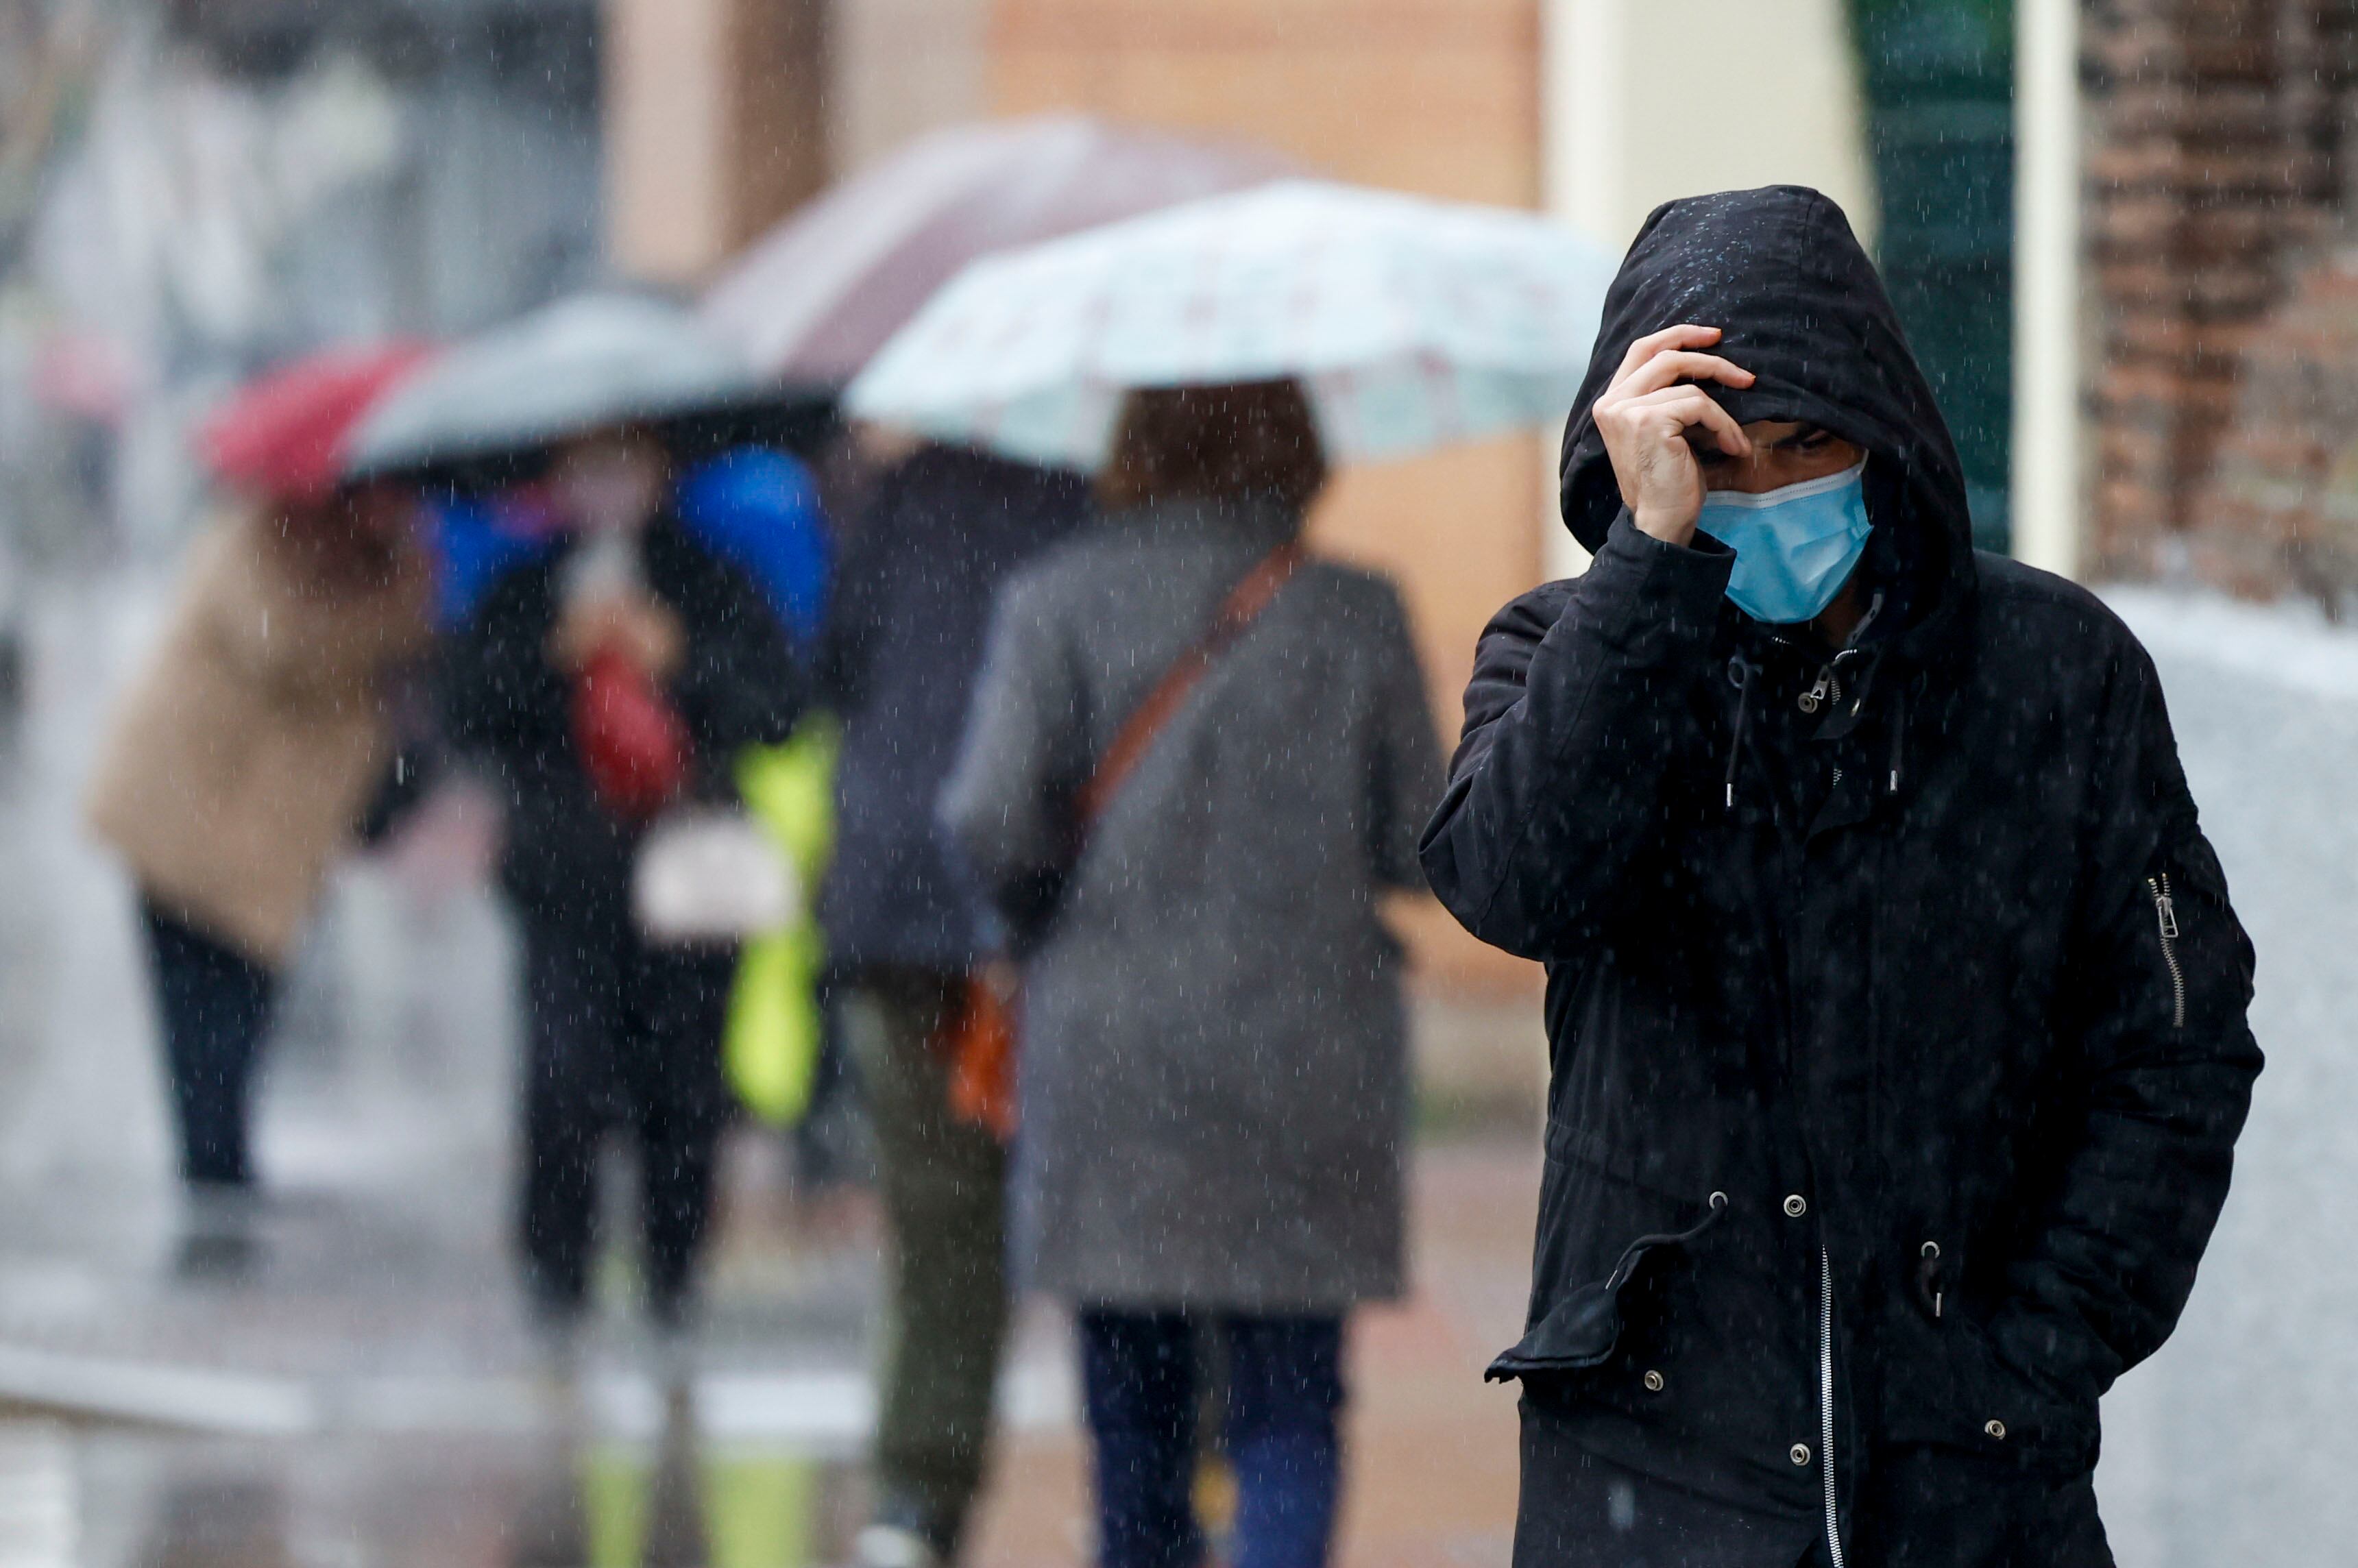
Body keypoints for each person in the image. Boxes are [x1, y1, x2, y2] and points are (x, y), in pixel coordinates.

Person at [1418, 186, 2262, 1565]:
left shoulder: (2053, 675)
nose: (1767, 491)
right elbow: (1518, 885)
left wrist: (2031, 1356)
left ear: (1881, 437)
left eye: (1805, 445)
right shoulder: (1568, 651)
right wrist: (1649, 566)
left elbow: (2174, 1049)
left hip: (1970, 1486)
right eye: (1719, 455)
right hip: (1653, 1467)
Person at [943, 380, 1444, 1568]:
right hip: (1308, 1049)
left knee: (1133, 1413)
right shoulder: (1356, 613)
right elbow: (1428, 835)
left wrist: (1043, 897)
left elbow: (987, 816)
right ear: (1297, 449)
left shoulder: (1053, 603)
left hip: (1113, 1051)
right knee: (1289, 1400)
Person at [442, 424, 802, 1330]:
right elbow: (468, 713)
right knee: (563, 1083)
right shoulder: (526, 589)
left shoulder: (712, 582)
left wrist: (677, 663)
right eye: (585, 468)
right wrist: (549, 660)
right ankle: (556, 1281)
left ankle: (673, 1284)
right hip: (566, 885)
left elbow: (777, 710)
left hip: (689, 886)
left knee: (683, 1095)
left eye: (623, 465)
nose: (605, 488)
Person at [817, 441, 1091, 1567]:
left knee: (938, 1228)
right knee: (1115, 1217)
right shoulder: (1091, 501)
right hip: (1053, 912)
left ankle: (916, 1501)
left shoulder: (898, 495)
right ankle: (1175, 1477)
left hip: (897, 901)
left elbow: (828, 667)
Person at [86, 476, 432, 1201]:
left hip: (270, 840)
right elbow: (284, 648)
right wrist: (391, 620)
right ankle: (213, 1184)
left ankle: (220, 1172)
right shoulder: (248, 541)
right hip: (183, 816)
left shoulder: (395, 564)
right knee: (203, 1025)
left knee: (243, 1016)